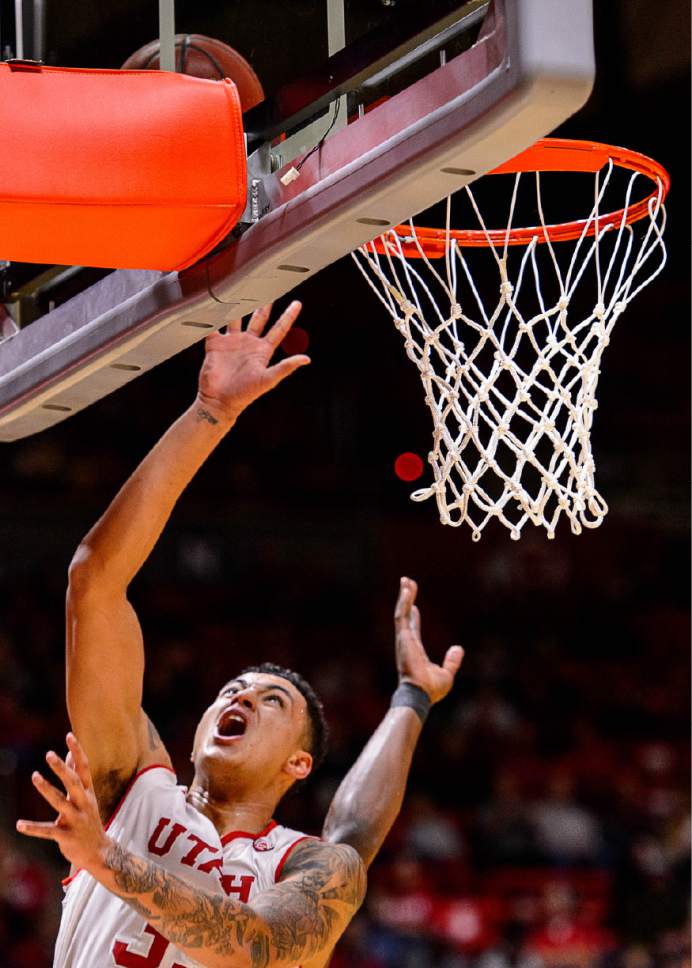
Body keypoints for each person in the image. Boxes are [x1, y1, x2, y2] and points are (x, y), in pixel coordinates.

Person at [16, 301, 464, 968]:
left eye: (271, 702)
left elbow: (254, 947)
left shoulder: (308, 865)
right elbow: (95, 581)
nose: (244, 697)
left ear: (298, 764)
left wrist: (412, 699)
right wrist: (210, 416)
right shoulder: (132, 788)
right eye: (236, 689)